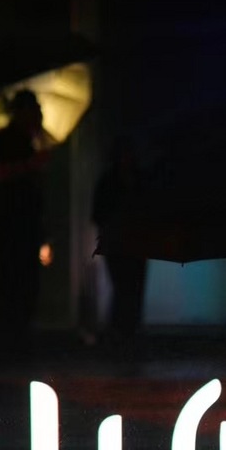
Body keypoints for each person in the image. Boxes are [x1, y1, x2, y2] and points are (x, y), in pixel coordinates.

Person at [0, 87, 51, 349]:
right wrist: (31, 164)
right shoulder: (4, 140)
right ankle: (9, 340)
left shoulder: (28, 142)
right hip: (12, 225)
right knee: (13, 283)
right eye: (34, 109)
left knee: (25, 284)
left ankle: (17, 339)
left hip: (25, 224)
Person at [91, 136, 147, 344]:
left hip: (133, 241)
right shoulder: (114, 182)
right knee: (125, 287)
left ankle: (126, 331)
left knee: (131, 287)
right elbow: (98, 214)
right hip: (120, 242)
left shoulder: (130, 180)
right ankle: (123, 331)